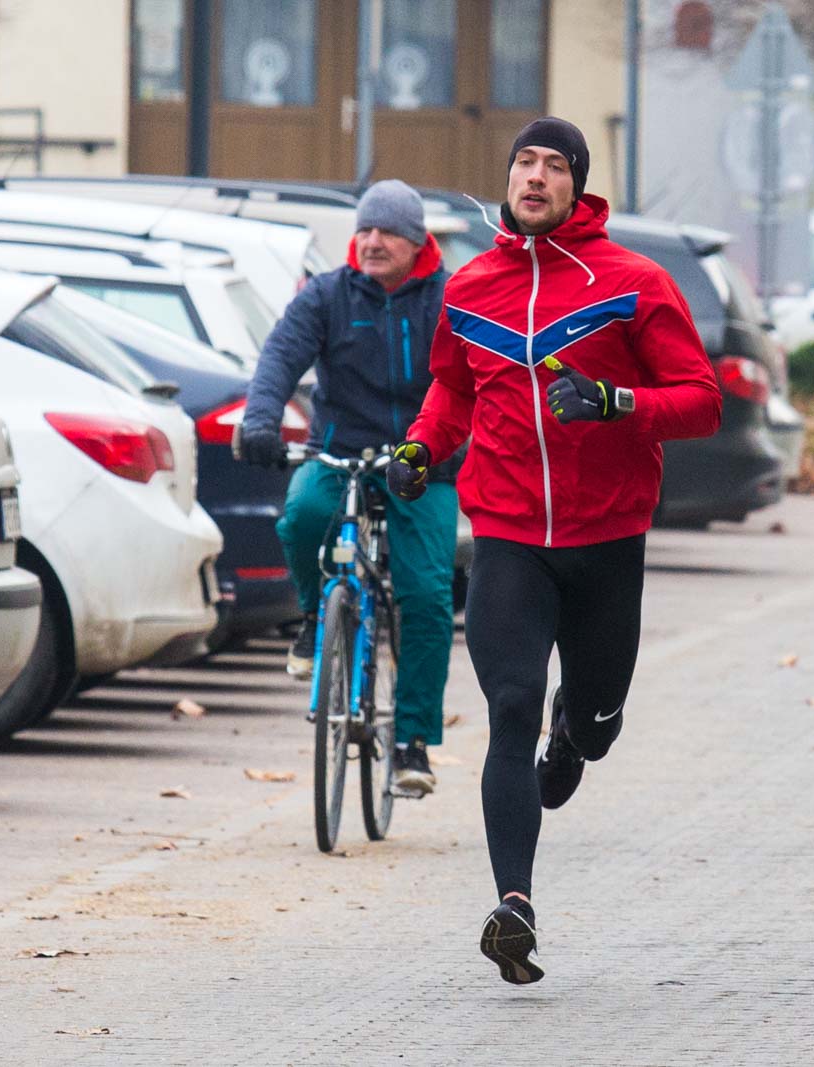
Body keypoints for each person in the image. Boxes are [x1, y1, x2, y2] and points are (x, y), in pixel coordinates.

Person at [386, 117, 722, 983]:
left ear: (578, 185)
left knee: (597, 718)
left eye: (553, 166)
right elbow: (451, 390)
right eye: (523, 163)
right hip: (506, 535)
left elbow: (700, 401)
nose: (534, 177)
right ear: (507, 179)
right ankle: (514, 906)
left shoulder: (632, 283)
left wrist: (617, 403)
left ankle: (579, 732)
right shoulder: (470, 288)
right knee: (508, 703)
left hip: (606, 536)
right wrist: (424, 447)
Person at [239, 179, 458, 797]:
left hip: (422, 461)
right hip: (339, 450)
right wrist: (260, 420)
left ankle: (413, 741)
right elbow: (280, 356)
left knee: (427, 592)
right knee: (303, 514)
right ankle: (315, 618)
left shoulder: (448, 298)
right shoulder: (328, 295)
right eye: (364, 230)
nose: (373, 242)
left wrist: (452, 447)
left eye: (388, 231)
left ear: (418, 243)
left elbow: (474, 379)